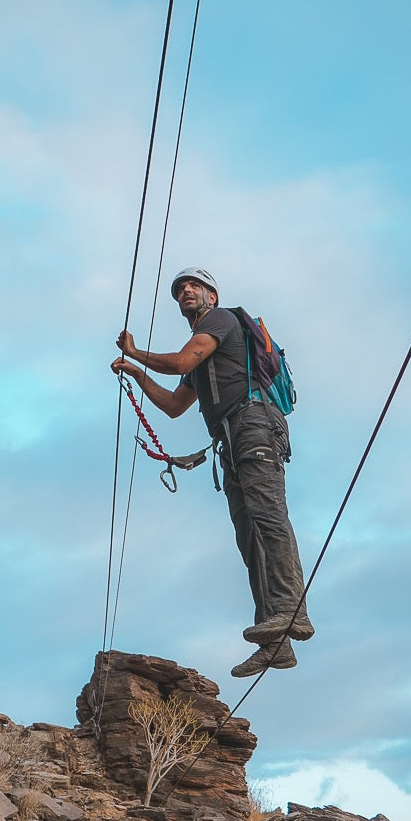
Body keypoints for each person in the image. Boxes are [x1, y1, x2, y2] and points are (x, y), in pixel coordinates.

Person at [111, 267, 313, 678]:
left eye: (194, 287)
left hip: (253, 424)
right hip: (232, 440)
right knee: (248, 535)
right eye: (181, 289)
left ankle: (292, 612)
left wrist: (135, 353)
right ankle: (276, 642)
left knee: (267, 515)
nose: (186, 291)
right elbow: (173, 404)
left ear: (212, 297)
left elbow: (183, 359)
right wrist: (137, 374)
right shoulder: (204, 351)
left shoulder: (218, 322)